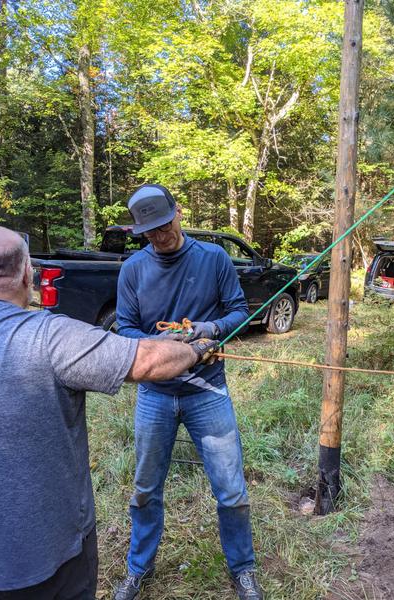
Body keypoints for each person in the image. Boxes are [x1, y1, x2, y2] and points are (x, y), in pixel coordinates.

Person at [0, 226, 217, 600]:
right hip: (50, 560)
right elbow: (148, 362)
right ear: (28, 274)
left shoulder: (212, 258)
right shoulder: (50, 338)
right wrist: (197, 350)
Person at [114, 184, 263, 600]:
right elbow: (124, 328)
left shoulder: (213, 258)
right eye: (150, 232)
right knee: (145, 488)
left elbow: (239, 312)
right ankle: (137, 569)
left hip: (208, 392)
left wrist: (209, 329)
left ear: (178, 212)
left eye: (164, 225)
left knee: (231, 487)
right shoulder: (133, 270)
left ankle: (243, 569)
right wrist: (167, 347)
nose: (159, 237)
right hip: (155, 395)